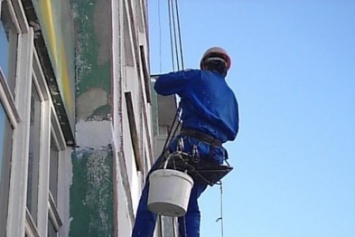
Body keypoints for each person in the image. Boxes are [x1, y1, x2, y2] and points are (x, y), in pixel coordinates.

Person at [131, 47, 239, 237]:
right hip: (214, 155)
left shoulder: (196, 77)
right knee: (189, 201)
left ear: (205, 65)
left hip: (190, 144)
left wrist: (184, 86)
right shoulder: (231, 97)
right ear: (225, 70)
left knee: (154, 187)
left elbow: (161, 85)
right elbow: (233, 133)